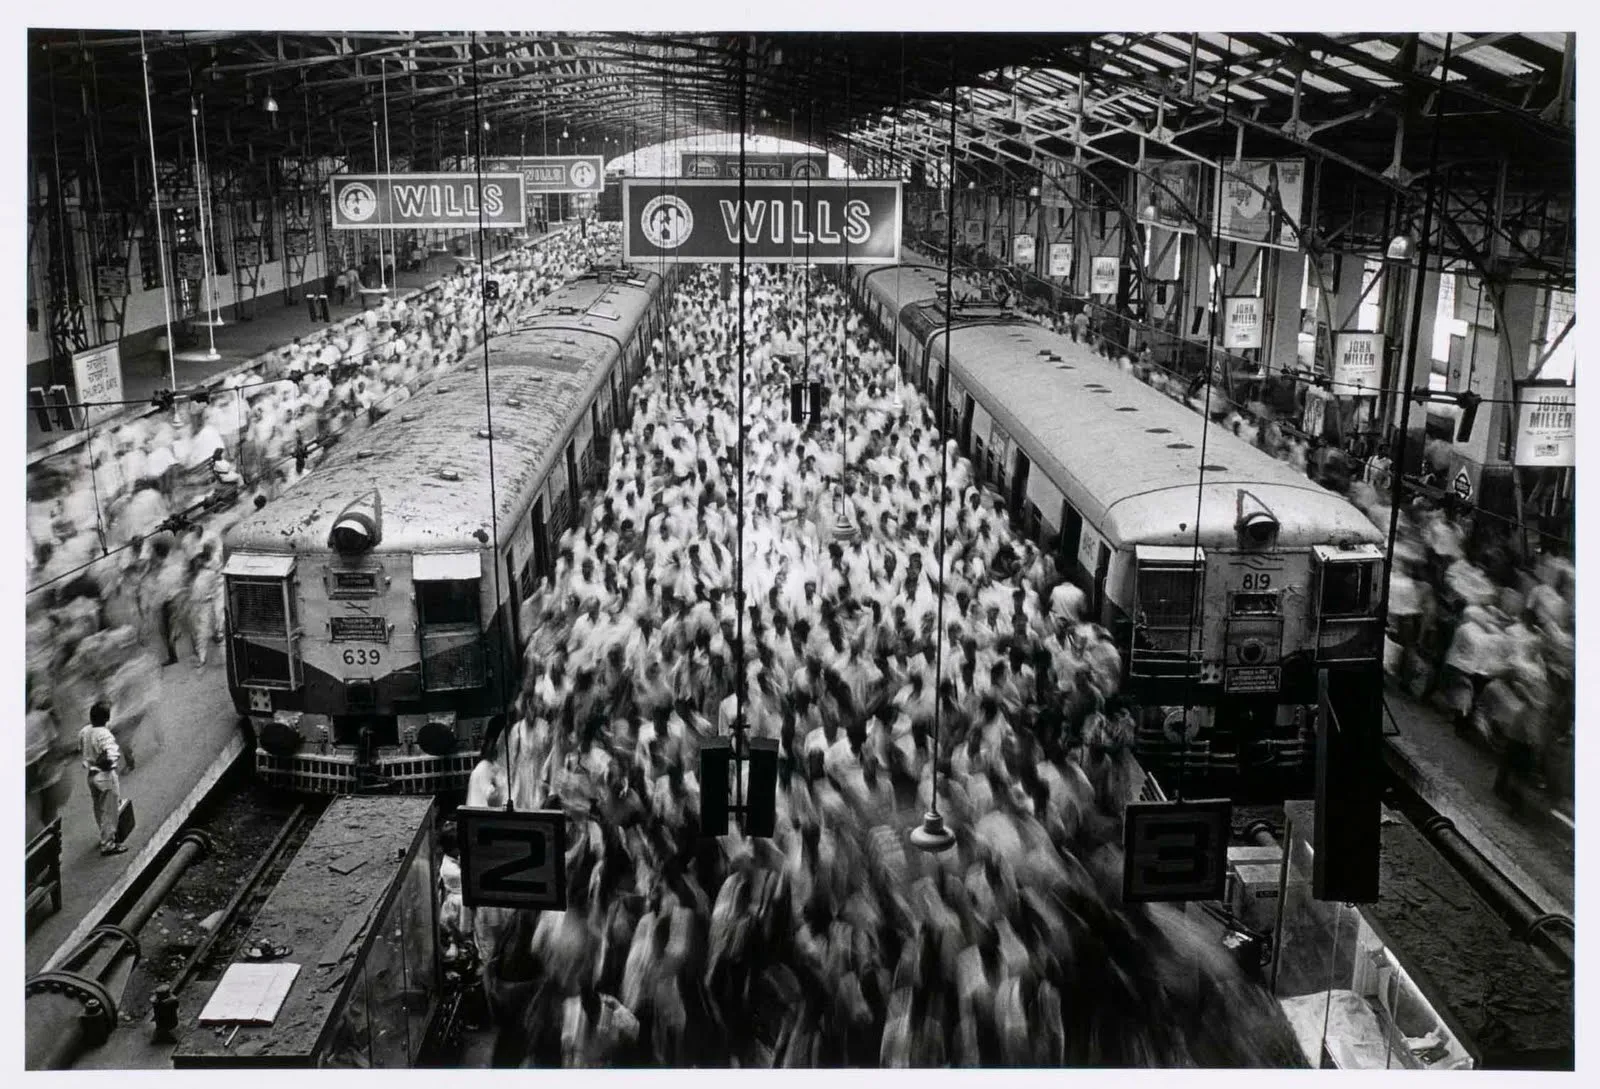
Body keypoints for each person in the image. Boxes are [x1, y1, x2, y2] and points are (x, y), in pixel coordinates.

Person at [79, 701, 126, 856]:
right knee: (110, 810)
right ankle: (108, 844)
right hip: (105, 776)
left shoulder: (85, 731)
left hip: (91, 776)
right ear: (106, 718)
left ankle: (104, 834)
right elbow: (111, 754)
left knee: (98, 807)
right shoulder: (104, 734)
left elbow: (81, 747)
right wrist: (107, 762)